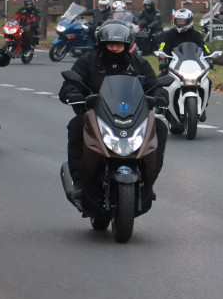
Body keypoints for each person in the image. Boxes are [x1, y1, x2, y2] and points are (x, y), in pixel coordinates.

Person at [58, 21, 169, 205]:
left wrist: (160, 94)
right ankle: (79, 183)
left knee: (160, 127)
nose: (115, 48)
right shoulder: (88, 61)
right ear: (102, 44)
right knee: (76, 125)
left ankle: (148, 183)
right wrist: (73, 93)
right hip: (96, 115)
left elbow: (154, 85)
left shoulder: (139, 63)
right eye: (111, 44)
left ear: (127, 45)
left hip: (133, 117)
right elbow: (69, 84)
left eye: (119, 44)